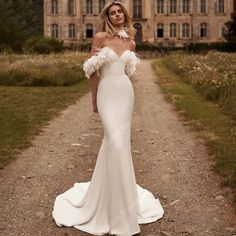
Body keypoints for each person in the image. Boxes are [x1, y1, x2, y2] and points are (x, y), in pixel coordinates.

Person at [52, 1, 164, 235]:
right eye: (112, 13)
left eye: (119, 12)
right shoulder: (100, 38)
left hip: (125, 94)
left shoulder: (131, 41)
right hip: (106, 94)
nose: (117, 15)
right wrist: (94, 100)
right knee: (113, 140)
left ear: (124, 15)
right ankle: (105, 204)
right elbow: (93, 72)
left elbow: (127, 73)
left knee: (120, 145)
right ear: (108, 17)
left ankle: (123, 203)